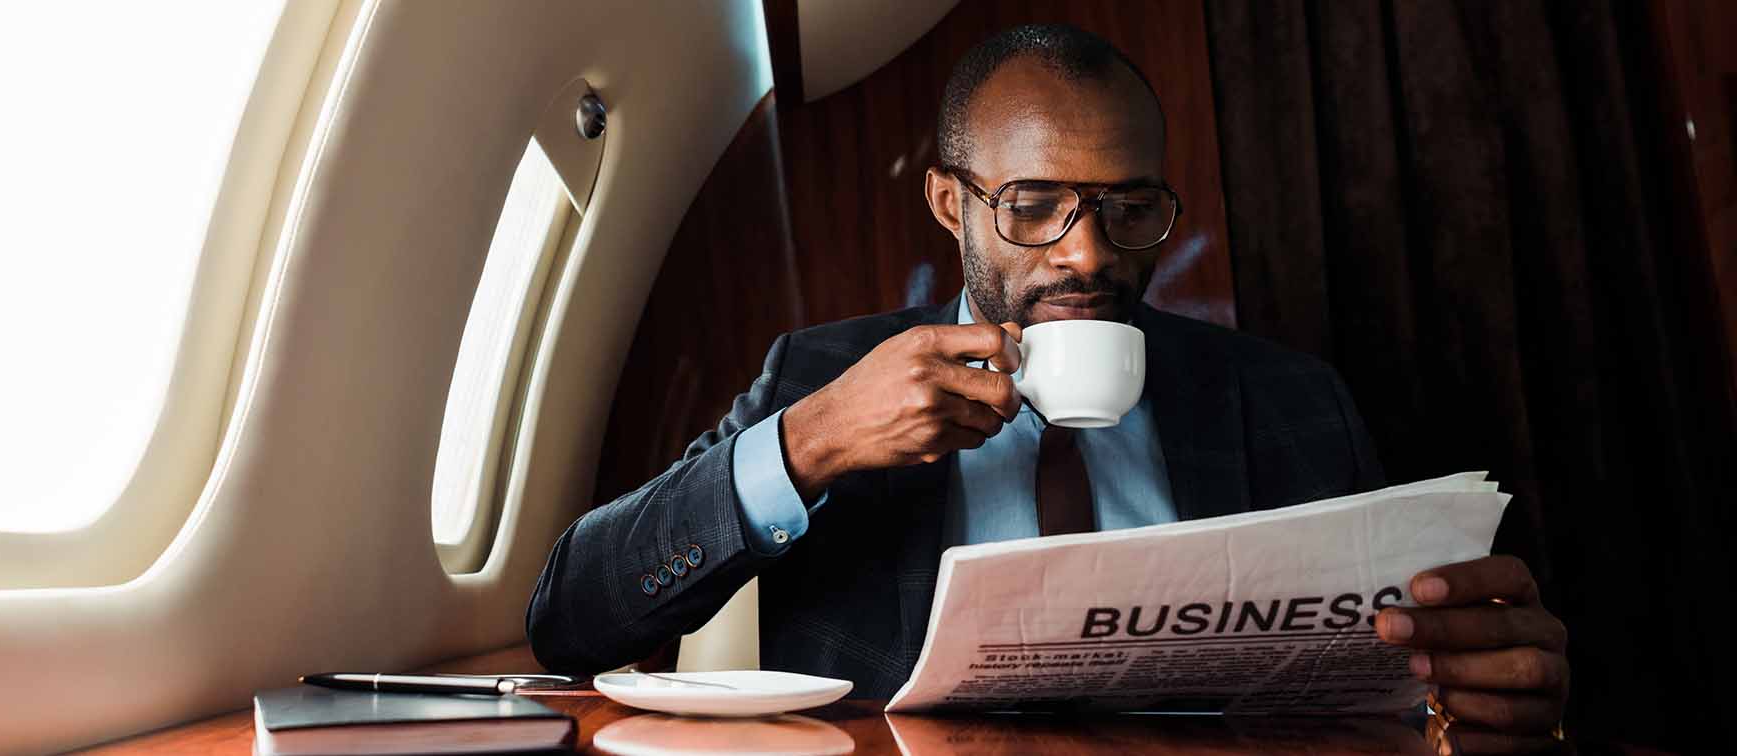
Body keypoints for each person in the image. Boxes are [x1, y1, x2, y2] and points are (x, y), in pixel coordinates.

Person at [527, 24, 1568, 738]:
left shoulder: (1291, 402)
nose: (1085, 254)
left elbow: (1386, 687)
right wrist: (808, 444)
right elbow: (570, 619)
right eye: (1032, 205)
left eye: (1128, 207)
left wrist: (1469, 694)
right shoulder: (821, 374)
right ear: (951, 204)